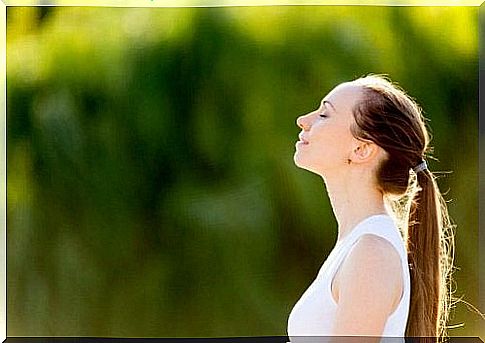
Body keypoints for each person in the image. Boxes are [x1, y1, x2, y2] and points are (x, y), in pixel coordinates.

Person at [287, 75, 455, 343]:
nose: (304, 121)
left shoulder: (372, 252)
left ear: (362, 149)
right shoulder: (358, 244)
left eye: (324, 114)